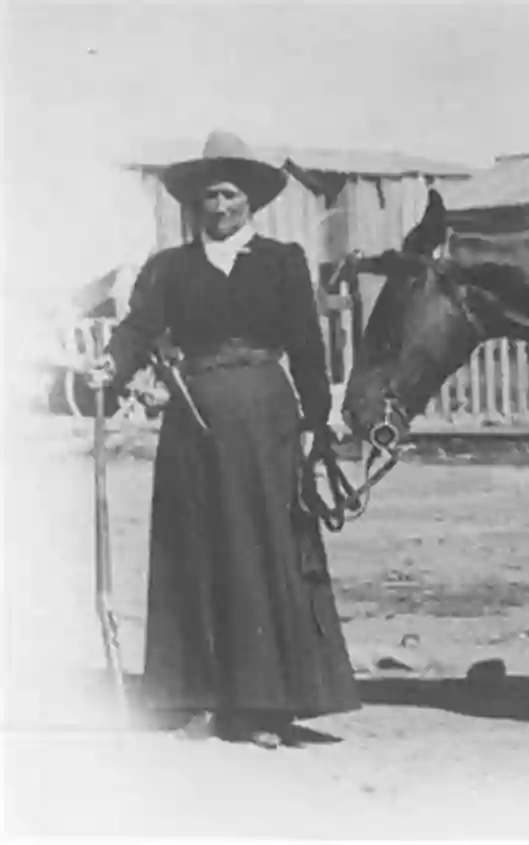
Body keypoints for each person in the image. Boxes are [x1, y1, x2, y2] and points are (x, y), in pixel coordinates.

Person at [85, 130, 360, 748]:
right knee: (195, 550)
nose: (219, 207)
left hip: (266, 421)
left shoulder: (282, 261)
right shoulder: (169, 269)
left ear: (250, 201)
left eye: (230, 194)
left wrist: (319, 421)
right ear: (196, 203)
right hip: (194, 422)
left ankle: (265, 707)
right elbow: (137, 330)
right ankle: (193, 698)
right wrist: (112, 366)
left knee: (262, 549)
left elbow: (306, 348)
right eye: (209, 196)